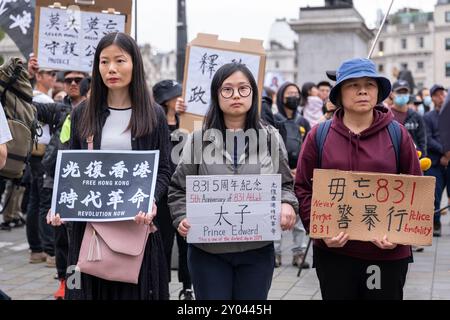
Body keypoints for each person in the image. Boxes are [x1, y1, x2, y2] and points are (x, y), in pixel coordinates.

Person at [48, 32, 171, 300]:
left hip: (136, 231)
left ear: (135, 65)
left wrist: (151, 198)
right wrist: (60, 205)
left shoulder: (153, 115)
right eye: (104, 62)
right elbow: (73, 168)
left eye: (119, 60)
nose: (111, 69)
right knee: (83, 290)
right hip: (88, 233)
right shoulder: (82, 113)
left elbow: (163, 169)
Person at [169, 63, 298, 300]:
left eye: (243, 88)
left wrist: (288, 204)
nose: (236, 95)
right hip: (208, 252)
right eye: (227, 89)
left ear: (254, 94)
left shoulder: (271, 138)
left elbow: (285, 184)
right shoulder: (198, 140)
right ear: (216, 96)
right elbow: (178, 188)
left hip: (257, 250)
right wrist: (181, 217)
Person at [295, 58, 421, 300]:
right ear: (339, 94)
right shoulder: (318, 136)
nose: (362, 90)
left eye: (369, 84)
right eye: (353, 85)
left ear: (378, 92)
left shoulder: (398, 134)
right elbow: (303, 187)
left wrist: (398, 235)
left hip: (386, 255)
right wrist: (320, 230)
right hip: (334, 254)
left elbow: (415, 188)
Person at [152, 79, 194, 300]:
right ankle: (163, 286)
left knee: (186, 241)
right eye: (174, 95)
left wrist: (182, 119)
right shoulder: (153, 122)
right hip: (161, 193)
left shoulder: (186, 121)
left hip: (185, 190)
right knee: (164, 243)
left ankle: (188, 287)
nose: (179, 98)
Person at [273, 82, 310, 268]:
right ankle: (275, 253)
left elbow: (309, 149)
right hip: (278, 175)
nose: (294, 97)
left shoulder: (303, 121)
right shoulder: (273, 119)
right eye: (289, 94)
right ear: (281, 97)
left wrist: (300, 170)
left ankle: (299, 252)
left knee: (299, 217)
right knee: (275, 214)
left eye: (296, 93)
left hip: (299, 175)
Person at [424, 84, 448, 237]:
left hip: (449, 159)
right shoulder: (428, 117)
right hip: (435, 162)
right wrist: (444, 152)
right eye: (437, 95)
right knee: (435, 195)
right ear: (432, 98)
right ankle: (436, 222)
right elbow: (428, 139)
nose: (441, 97)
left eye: (443, 94)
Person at [389, 80, 427, 155]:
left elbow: (422, 141)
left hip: (414, 158)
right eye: (399, 92)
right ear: (392, 94)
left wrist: (422, 157)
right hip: (393, 160)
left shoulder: (416, 116)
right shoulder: (386, 116)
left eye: (405, 92)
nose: (402, 95)